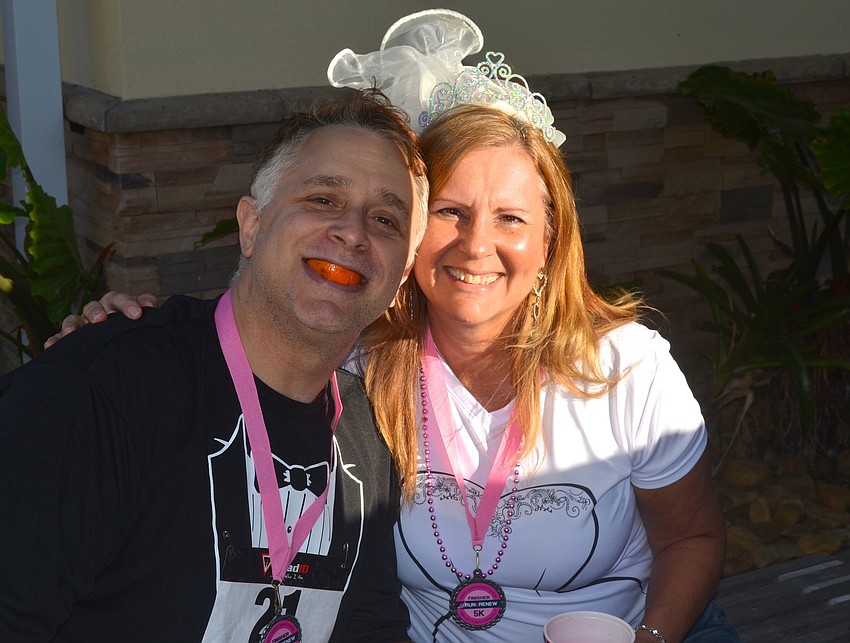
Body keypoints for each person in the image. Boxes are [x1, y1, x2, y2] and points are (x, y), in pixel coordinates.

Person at [45, 10, 739, 643]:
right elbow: (257, 319)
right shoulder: (358, 362)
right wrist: (124, 329)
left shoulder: (624, 366)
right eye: (451, 212)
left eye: (511, 219)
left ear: (552, 242)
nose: (475, 246)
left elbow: (694, 537)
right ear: (409, 239)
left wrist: (650, 640)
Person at [0, 89, 429, 642]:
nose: (353, 231)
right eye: (323, 198)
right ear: (251, 226)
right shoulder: (106, 389)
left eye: (386, 219)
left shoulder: (368, 435)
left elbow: (371, 627)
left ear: (401, 278)